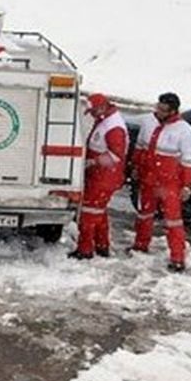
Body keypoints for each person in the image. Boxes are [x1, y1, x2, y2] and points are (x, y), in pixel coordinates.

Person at [130, 92, 191, 272]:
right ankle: (140, 244)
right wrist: (136, 167)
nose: (157, 111)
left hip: (170, 184)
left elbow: (188, 162)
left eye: (162, 109)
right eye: (157, 107)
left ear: (173, 111)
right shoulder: (148, 122)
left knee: (173, 221)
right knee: (144, 213)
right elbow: (140, 147)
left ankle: (177, 257)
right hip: (148, 178)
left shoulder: (185, 131)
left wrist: (186, 185)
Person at [69, 93, 128, 260]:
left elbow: (116, 155)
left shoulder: (113, 127)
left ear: (102, 108)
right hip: (102, 176)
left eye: (93, 111)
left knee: (88, 213)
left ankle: (85, 250)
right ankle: (102, 246)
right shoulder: (106, 121)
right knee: (99, 213)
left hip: (104, 178)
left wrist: (92, 162)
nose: (92, 115)